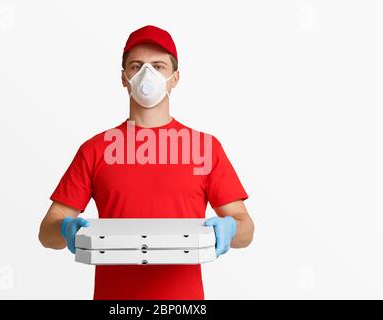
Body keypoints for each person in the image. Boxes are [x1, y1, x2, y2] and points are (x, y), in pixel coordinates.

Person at [39, 25, 254, 300]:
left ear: (175, 78)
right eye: (136, 66)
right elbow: (47, 231)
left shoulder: (204, 148)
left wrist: (231, 228)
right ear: (123, 78)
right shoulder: (95, 150)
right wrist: (66, 230)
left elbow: (245, 228)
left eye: (158, 66)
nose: (146, 75)